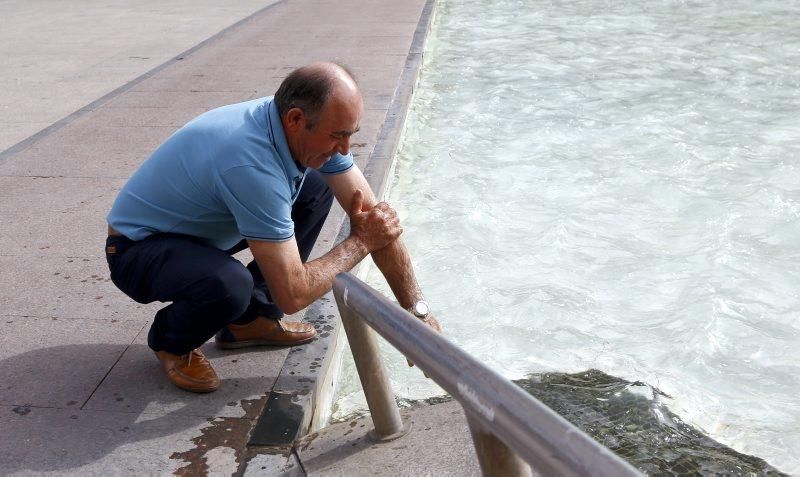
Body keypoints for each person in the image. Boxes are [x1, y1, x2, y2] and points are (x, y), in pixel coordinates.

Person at [105, 62, 440, 393]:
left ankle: (252, 320)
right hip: (137, 249)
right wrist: (358, 244)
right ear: (295, 119)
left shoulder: (303, 121)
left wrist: (417, 313)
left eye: (350, 135)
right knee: (229, 285)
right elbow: (294, 293)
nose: (344, 149)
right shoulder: (251, 163)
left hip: (202, 232)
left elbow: (374, 218)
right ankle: (171, 342)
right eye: (338, 136)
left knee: (318, 183)